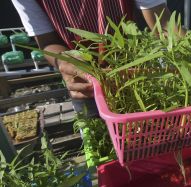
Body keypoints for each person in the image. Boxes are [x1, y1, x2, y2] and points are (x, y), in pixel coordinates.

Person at [11, 0, 179, 117]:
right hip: (85, 83)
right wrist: (66, 62)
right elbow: (48, 42)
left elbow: (163, 24)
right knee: (98, 137)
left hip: (132, 77)